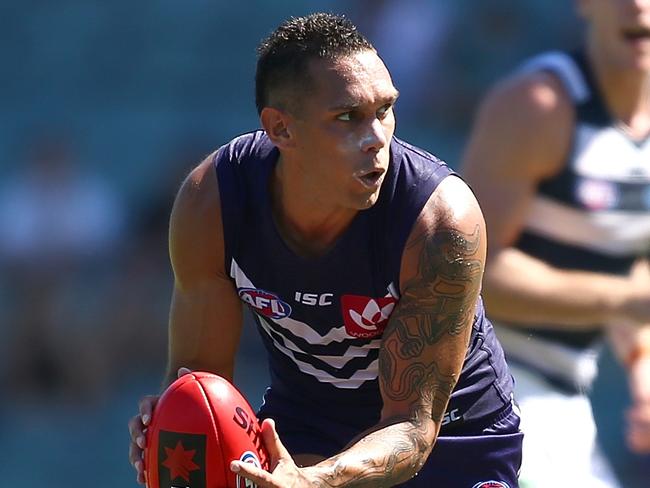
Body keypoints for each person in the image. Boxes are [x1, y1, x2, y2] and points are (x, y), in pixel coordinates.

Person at [129, 13, 522, 487]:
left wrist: (317, 482)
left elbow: (411, 429)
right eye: (347, 117)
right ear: (281, 129)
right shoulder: (213, 203)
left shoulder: (439, 222)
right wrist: (178, 421)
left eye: (384, 110)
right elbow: (202, 377)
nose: (377, 139)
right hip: (307, 425)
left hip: (454, 437)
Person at [461, 0, 650, 486]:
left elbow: (636, 267)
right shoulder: (536, 104)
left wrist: (643, 372)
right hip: (479, 388)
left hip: (564, 399)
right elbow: (467, 273)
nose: (637, 6)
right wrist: (626, 301)